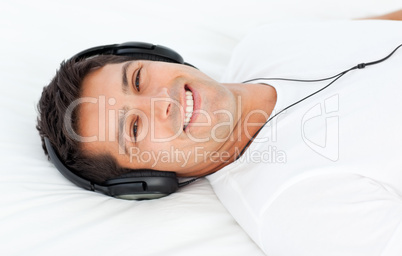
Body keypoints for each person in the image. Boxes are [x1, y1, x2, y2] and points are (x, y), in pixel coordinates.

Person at [37, 10, 402, 255]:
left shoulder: (264, 44)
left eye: (138, 78)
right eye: (135, 127)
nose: (162, 101)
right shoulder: (294, 210)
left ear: (158, 56)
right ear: (148, 179)